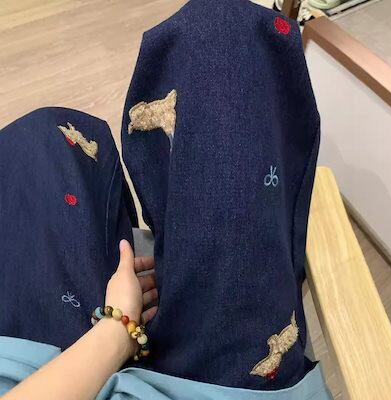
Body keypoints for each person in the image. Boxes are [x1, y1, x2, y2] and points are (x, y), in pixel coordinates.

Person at [1, 1, 333, 399]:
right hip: (207, 387)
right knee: (222, 31)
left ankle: (160, 260)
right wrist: (118, 330)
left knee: (40, 138)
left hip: (29, 369)